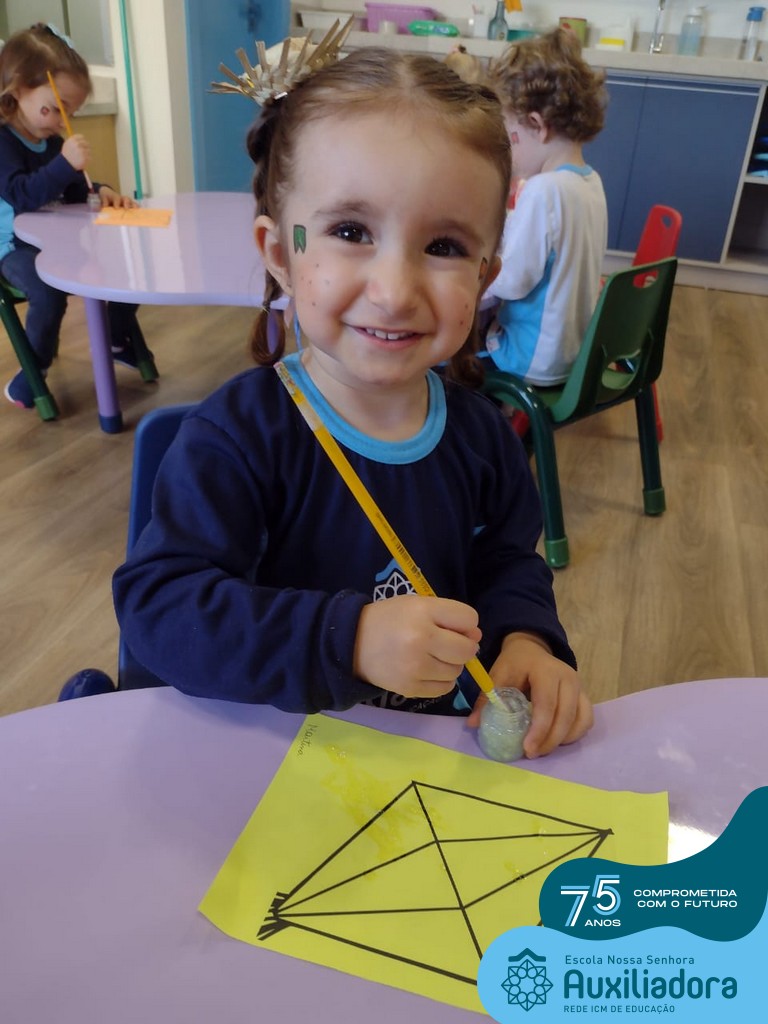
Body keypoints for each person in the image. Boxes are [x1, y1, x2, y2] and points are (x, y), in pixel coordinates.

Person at [112, 45, 592, 758]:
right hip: (263, 757)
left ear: (486, 273)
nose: (394, 292)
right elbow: (160, 611)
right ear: (281, 253)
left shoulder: (486, 437)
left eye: (444, 246)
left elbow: (507, 564)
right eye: (350, 232)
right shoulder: (236, 438)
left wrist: (526, 639)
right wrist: (350, 639)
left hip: (425, 758)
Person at [0, 23, 150, 410]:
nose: (62, 119)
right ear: (17, 91)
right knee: (48, 291)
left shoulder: (52, 142)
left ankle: (116, 338)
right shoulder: (3, 141)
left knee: (124, 265)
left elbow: (69, 191)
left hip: (56, 241)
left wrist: (99, 189)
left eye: (72, 111)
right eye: (56, 107)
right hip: (13, 247)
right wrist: (64, 164)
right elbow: (22, 195)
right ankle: (34, 371)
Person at [480, 27, 608, 387]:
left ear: (537, 126)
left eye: (511, 137)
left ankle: (492, 412)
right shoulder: (590, 182)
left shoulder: (543, 190)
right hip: (573, 353)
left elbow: (512, 282)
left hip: (532, 358)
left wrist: (481, 270)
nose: (509, 151)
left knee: (464, 341)